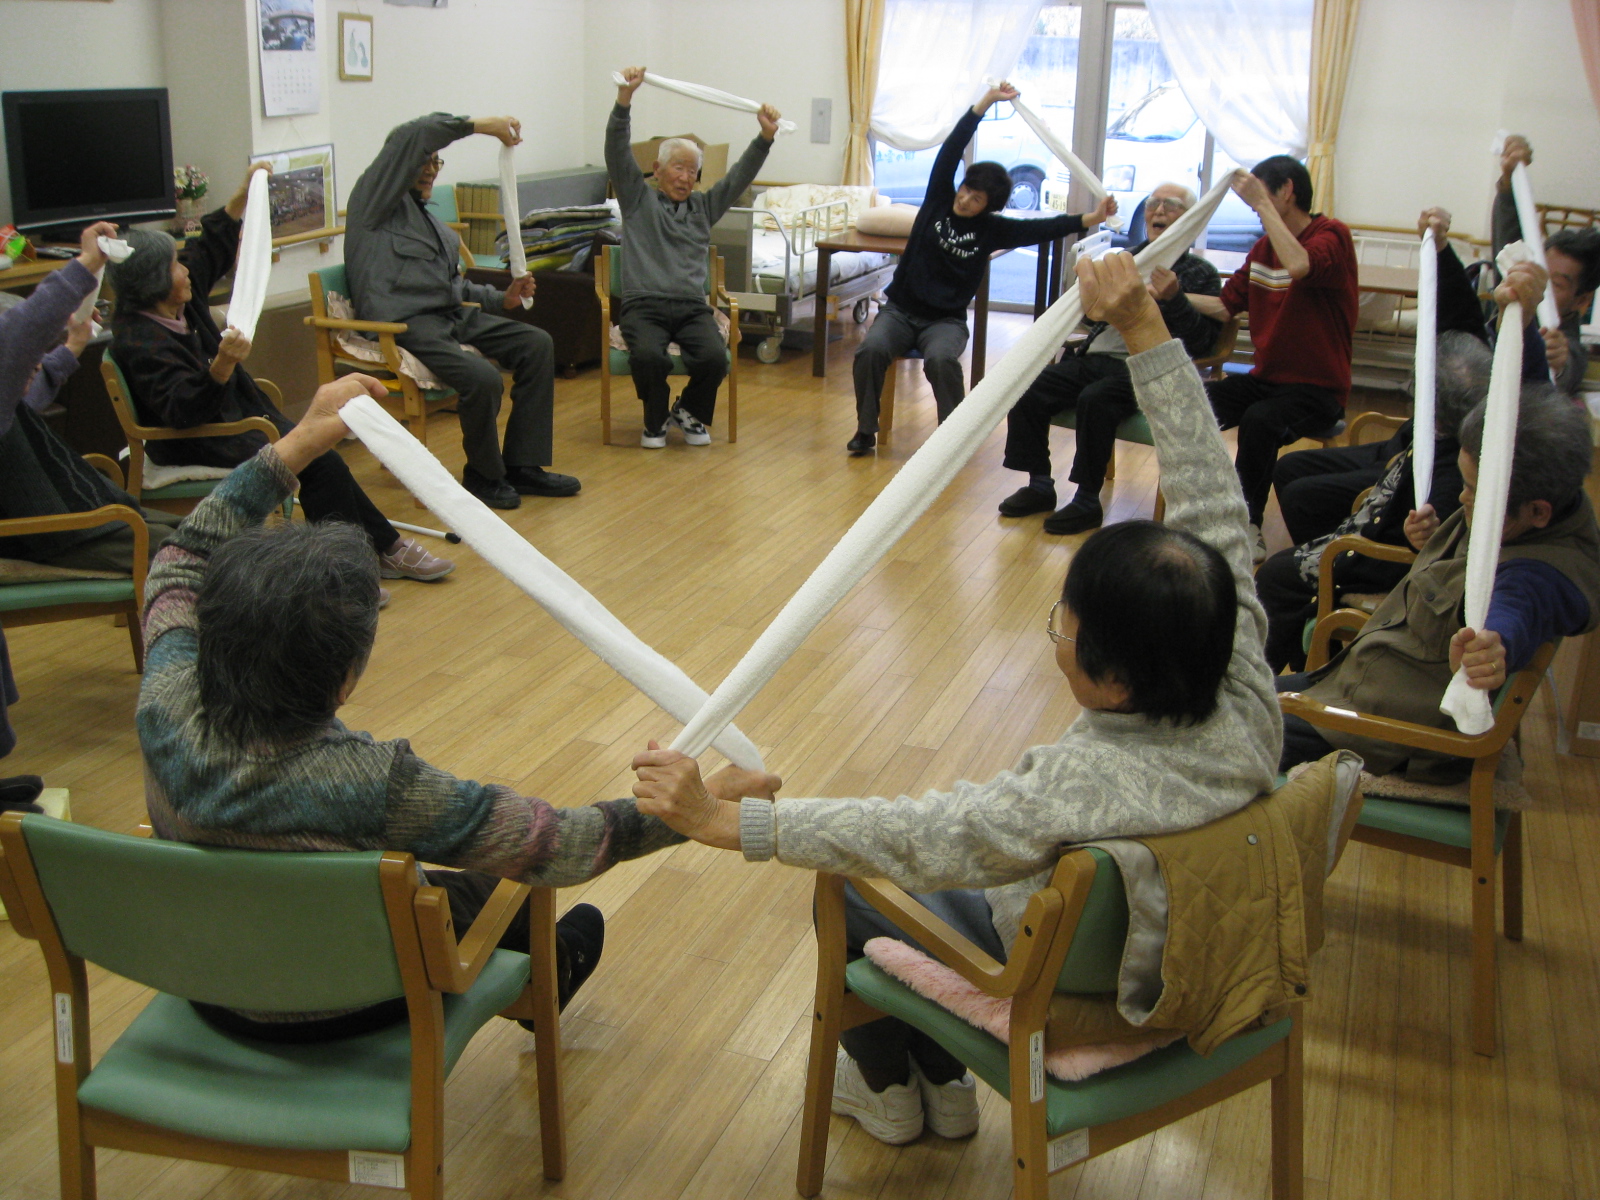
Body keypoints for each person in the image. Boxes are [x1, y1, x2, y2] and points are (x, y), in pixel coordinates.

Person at [631, 251, 1280, 1144]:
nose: (1054, 632)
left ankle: (899, 1090)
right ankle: (939, 1086)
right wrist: (1144, 327)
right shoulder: (1244, 685)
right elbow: (1214, 500)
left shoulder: (1080, 785)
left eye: (1065, 623)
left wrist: (723, 823)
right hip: (1199, 950)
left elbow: (925, 836)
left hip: (1090, 986)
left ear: (1113, 678)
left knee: (859, 888)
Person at [135, 373, 752, 1042]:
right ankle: (550, 973)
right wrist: (696, 809)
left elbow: (179, 556)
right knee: (495, 896)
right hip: (349, 1000)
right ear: (344, 680)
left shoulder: (166, 698)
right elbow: (562, 845)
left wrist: (301, 442)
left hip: (213, 983)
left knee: (417, 883)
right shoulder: (373, 784)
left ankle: (540, 965)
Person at [108, 167, 452, 595]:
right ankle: (354, 565)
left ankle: (371, 554)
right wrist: (220, 368)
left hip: (238, 417)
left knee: (320, 447)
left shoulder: (174, 299)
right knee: (317, 457)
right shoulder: (140, 339)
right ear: (155, 281)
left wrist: (242, 194)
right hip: (200, 436)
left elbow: (208, 248)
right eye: (174, 266)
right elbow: (181, 412)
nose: (185, 270)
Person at [1255, 213, 1560, 673]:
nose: (1466, 496)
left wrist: (1416, 536)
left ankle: (1282, 663)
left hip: (1394, 560)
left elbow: (1440, 561)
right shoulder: (1466, 452)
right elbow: (1459, 316)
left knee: (1281, 564)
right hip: (1399, 491)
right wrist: (1439, 249)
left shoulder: (1468, 469)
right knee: (1293, 479)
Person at [1277, 384, 1600, 782]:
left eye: (1474, 492)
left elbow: (1516, 610)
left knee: (1206, 734)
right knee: (1217, 695)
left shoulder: (1541, 575)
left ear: (1537, 512)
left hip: (1387, 734)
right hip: (1353, 687)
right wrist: (1430, 545)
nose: (1462, 499)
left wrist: (1494, 648)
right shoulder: (1535, 507)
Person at [846, 82, 1118, 456]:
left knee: (942, 361)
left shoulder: (993, 229)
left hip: (946, 321)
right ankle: (865, 430)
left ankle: (952, 440)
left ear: (989, 206)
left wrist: (1092, 217)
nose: (965, 199)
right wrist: (986, 102)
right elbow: (952, 147)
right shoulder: (939, 198)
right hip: (899, 311)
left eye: (976, 199)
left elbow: (1043, 227)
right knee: (870, 350)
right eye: (966, 190)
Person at [345, 113, 580, 508]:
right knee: (483, 378)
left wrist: (501, 298)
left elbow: (453, 285)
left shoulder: (430, 221)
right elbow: (412, 134)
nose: (429, 170)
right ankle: (484, 475)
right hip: (405, 324)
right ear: (400, 162)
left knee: (537, 344)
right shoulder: (374, 204)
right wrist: (481, 125)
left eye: (435, 162)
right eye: (422, 160)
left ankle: (522, 465)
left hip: (449, 316)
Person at [997, 181, 1221, 533]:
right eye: (1154, 203)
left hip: (1144, 367)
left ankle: (1087, 498)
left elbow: (1201, 342)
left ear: (1190, 219)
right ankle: (1039, 484)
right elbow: (1091, 320)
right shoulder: (1124, 260)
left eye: (1171, 205)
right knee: (1026, 386)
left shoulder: (1198, 274)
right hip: (1096, 356)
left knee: (1096, 399)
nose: (1159, 211)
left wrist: (1175, 297)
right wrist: (1084, 295)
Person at [1186, 157, 1358, 561]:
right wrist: (1170, 293)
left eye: (1260, 196)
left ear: (1285, 192)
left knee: (1263, 420)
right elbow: (1226, 307)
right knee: (1196, 400)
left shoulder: (1331, 235)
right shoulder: (1264, 249)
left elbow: (1300, 265)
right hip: (1269, 380)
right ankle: (1199, 509)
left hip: (1319, 389)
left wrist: (1263, 206)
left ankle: (1248, 526)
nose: (1252, 208)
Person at [606, 68, 778, 448]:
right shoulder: (638, 201)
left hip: (689, 307)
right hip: (643, 306)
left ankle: (687, 412)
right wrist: (624, 102)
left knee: (715, 359)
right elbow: (616, 154)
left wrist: (764, 138)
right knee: (649, 357)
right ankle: (654, 421)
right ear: (658, 170)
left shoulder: (703, 207)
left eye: (692, 170)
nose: (686, 177)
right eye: (678, 167)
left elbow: (736, 178)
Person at [2, 221, 181, 577]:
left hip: (85, 515)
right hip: (55, 533)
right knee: (204, 556)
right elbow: (17, 340)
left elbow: (26, 394)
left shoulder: (10, 404)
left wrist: (74, 344)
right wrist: (87, 263)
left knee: (209, 539)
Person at [1491, 134, 1597, 394]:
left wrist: (1559, 361)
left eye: (1557, 284)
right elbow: (1509, 244)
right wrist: (1509, 181)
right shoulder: (1516, 291)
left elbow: (1567, 365)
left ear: (1581, 301)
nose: (1538, 282)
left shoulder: (1565, 344)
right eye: (1540, 271)